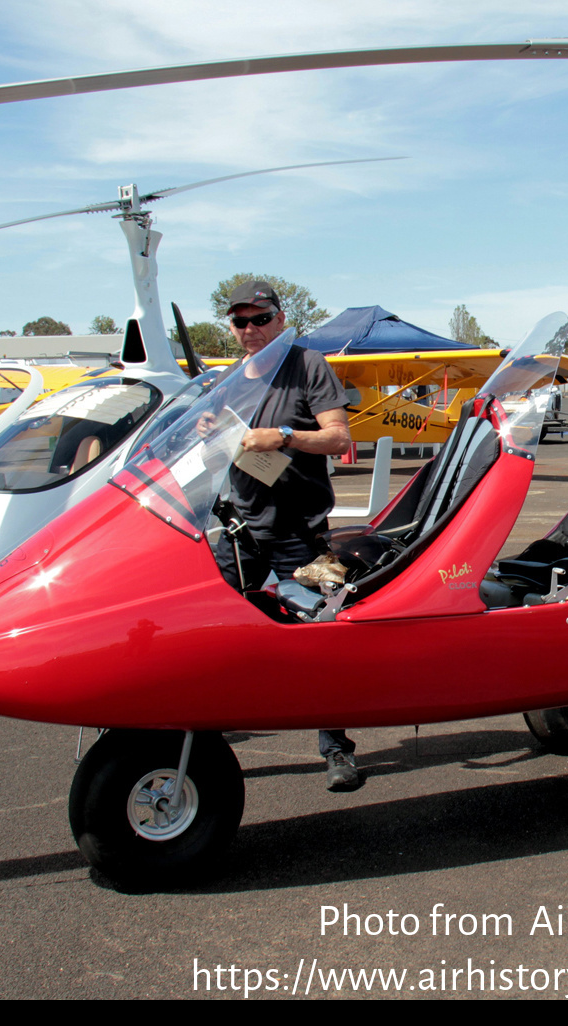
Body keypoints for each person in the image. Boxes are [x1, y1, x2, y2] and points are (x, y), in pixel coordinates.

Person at [212, 281, 362, 792]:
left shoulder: (308, 364)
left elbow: (340, 437)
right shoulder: (232, 376)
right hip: (239, 527)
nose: (250, 329)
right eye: (240, 321)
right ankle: (202, 726)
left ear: (280, 319)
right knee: (211, 631)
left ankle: (338, 749)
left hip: (298, 531)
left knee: (327, 633)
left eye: (260, 319)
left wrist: (287, 437)